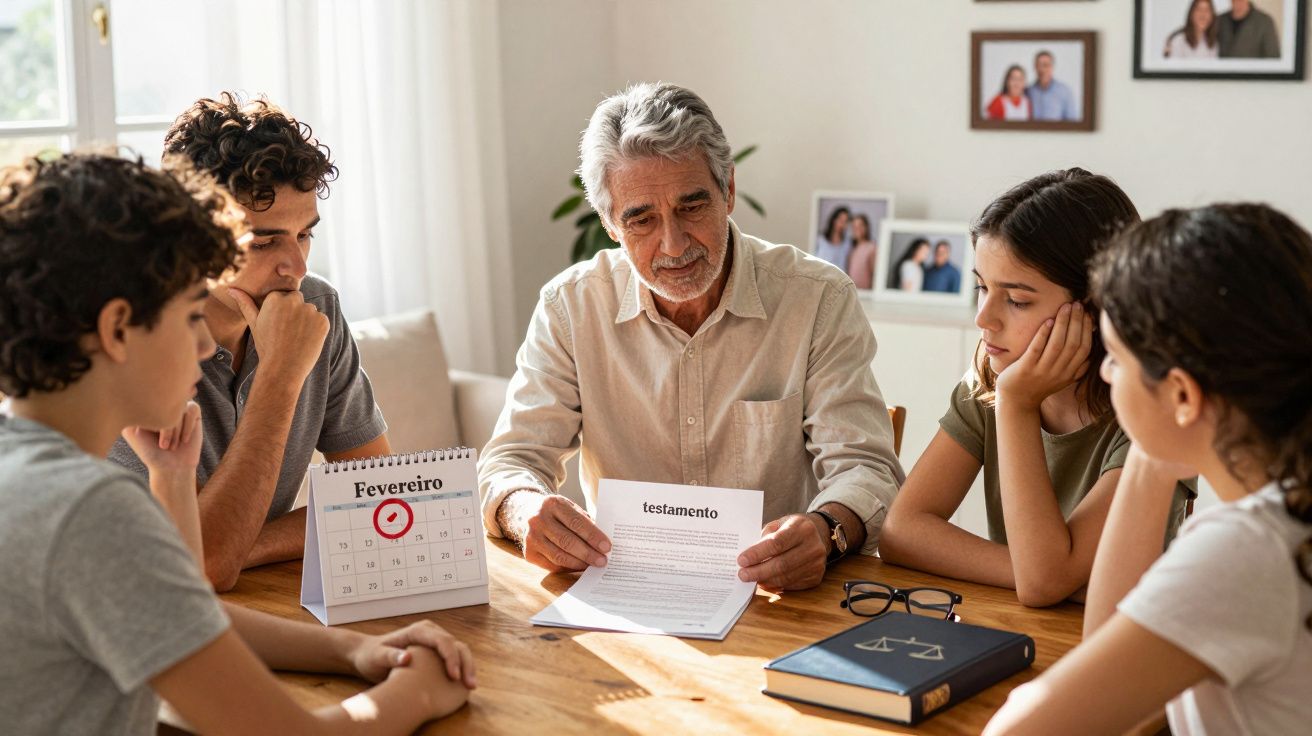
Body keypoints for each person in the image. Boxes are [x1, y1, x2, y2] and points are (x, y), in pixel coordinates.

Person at [0, 152, 474, 734]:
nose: (205, 347)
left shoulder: (22, 466)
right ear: (117, 329)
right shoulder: (90, 512)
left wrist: (350, 651)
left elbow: (173, 608)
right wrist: (420, 691)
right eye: (185, 317)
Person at [479, 83, 904, 591]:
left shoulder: (816, 299)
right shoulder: (570, 307)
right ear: (611, 224)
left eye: (691, 207)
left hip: (778, 597)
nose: (674, 244)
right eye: (641, 219)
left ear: (727, 191)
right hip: (627, 592)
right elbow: (510, 462)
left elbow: (868, 469)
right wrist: (525, 512)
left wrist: (827, 528)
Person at [984, 203, 1312, 734]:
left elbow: (1022, 730)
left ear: (1183, 392)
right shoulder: (1283, 514)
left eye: (1115, 356)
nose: (1107, 374)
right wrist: (1153, 451)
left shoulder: (1248, 547)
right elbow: (1106, 647)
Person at [108, 93, 392, 592]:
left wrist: (242, 543)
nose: (297, 268)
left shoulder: (315, 306)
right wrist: (281, 375)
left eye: (305, 234)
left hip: (255, 599)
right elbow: (206, 567)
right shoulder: (128, 343)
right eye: (263, 243)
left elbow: (377, 495)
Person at [879, 169, 1192, 608]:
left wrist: (1017, 405)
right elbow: (900, 532)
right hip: (1019, 631)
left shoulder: (1152, 413)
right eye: (981, 287)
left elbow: (1043, 584)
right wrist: (1042, 573)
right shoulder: (989, 382)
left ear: (1096, 306)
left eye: (1017, 300)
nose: (983, 318)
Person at [1026, 51, 1078, 122]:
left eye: (1045, 65)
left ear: (1052, 67)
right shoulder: (1028, 91)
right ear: (1034, 67)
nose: (1042, 69)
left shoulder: (1065, 92)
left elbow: (1072, 121)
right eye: (1038, 65)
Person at [814, 205, 851, 270]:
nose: (842, 224)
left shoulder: (847, 243)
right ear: (834, 220)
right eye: (840, 219)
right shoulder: (820, 239)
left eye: (845, 221)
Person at [847, 213, 878, 289]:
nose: (857, 229)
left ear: (866, 227)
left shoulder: (872, 247)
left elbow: (875, 274)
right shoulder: (853, 249)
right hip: (853, 292)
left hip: (865, 293)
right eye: (854, 226)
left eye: (860, 225)